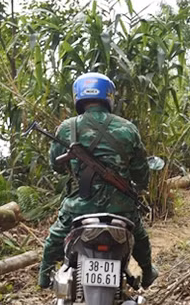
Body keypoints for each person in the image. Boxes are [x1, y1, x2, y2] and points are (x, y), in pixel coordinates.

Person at [38, 72, 158, 289]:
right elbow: (140, 171)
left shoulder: (67, 128)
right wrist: (137, 188)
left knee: (56, 235)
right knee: (139, 235)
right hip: (121, 208)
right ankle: (148, 273)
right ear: (108, 96)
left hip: (79, 208)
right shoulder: (128, 129)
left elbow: (56, 165)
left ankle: (44, 276)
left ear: (78, 97)